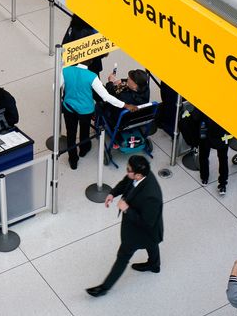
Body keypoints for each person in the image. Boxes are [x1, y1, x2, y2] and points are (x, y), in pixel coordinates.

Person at [86, 156, 163, 297]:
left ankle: (104, 288)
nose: (126, 171)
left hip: (139, 231)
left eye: (128, 170)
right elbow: (127, 181)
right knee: (152, 243)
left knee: (123, 256)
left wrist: (127, 209)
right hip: (148, 232)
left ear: (138, 174)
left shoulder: (151, 195)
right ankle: (154, 265)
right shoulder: (139, 175)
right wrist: (113, 193)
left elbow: (147, 222)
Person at [62, 60, 127, 170]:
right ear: (91, 62)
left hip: (69, 108)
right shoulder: (92, 76)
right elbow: (105, 97)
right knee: (84, 130)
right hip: (85, 110)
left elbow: (55, 87)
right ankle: (84, 149)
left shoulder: (65, 70)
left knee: (71, 133)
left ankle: (73, 160)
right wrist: (124, 105)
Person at [199, 113, 231, 196]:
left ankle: (204, 178)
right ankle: (223, 184)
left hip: (207, 133)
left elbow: (196, 116)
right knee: (223, 159)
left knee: (204, 156)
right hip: (223, 136)